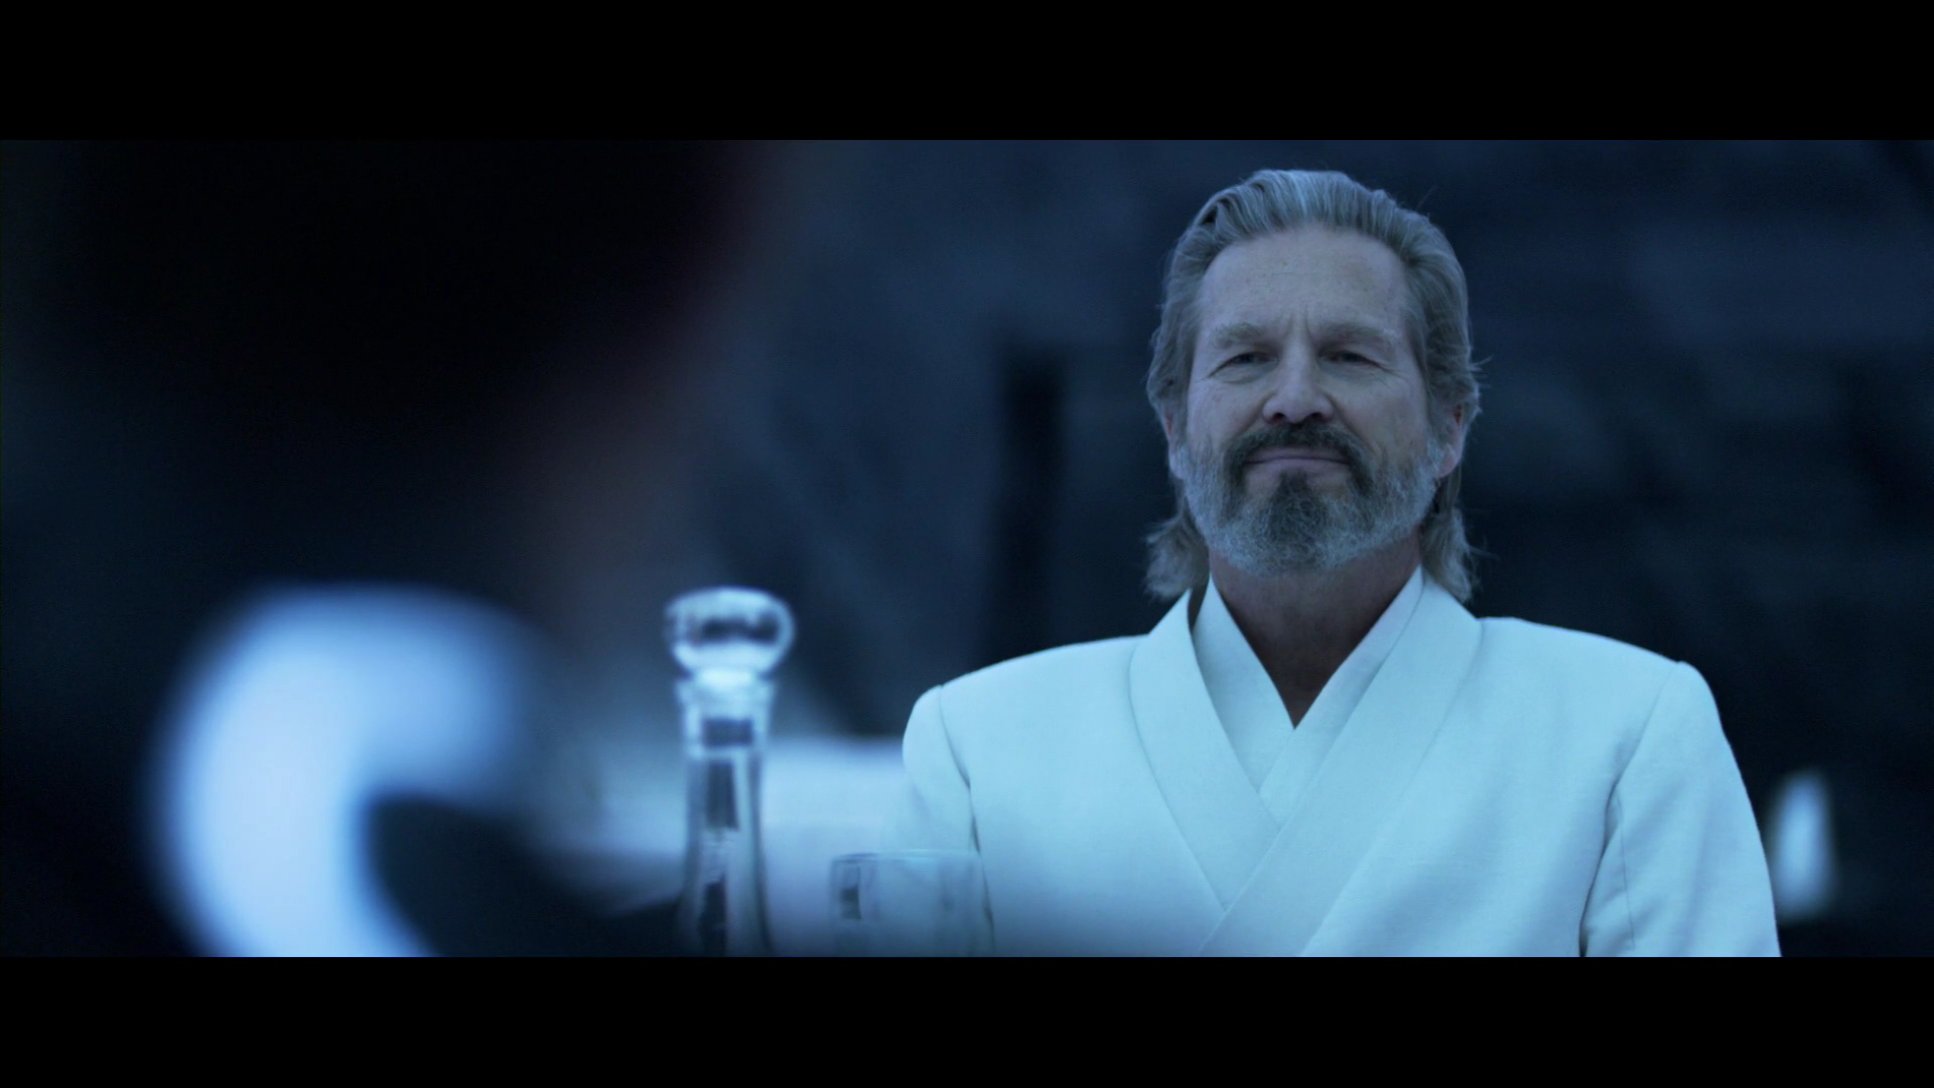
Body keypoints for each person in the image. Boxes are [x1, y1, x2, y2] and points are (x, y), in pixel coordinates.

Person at [883, 168, 1780, 956]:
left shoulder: (1626, 738)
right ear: (1173, 428)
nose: (1296, 398)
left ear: (1449, 428)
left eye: (1350, 356)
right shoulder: (980, 748)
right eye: (1246, 357)